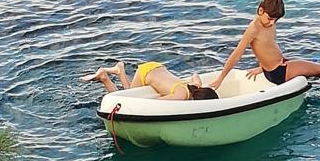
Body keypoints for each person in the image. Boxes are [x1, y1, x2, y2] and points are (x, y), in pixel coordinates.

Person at [210, 0, 320, 98]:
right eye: (270, 18)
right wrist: (220, 79)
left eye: (275, 20)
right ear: (260, 11)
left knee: (314, 70)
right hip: (278, 72)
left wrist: (262, 67)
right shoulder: (253, 29)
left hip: (277, 67)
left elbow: (266, 47)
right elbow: (237, 54)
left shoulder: (267, 23)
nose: (272, 23)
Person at [82, 61, 218, 101]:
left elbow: (195, 74)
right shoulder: (181, 95)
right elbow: (157, 102)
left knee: (130, 90)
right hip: (145, 73)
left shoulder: (194, 86)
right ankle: (105, 78)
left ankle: (119, 70)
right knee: (127, 96)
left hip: (157, 66)